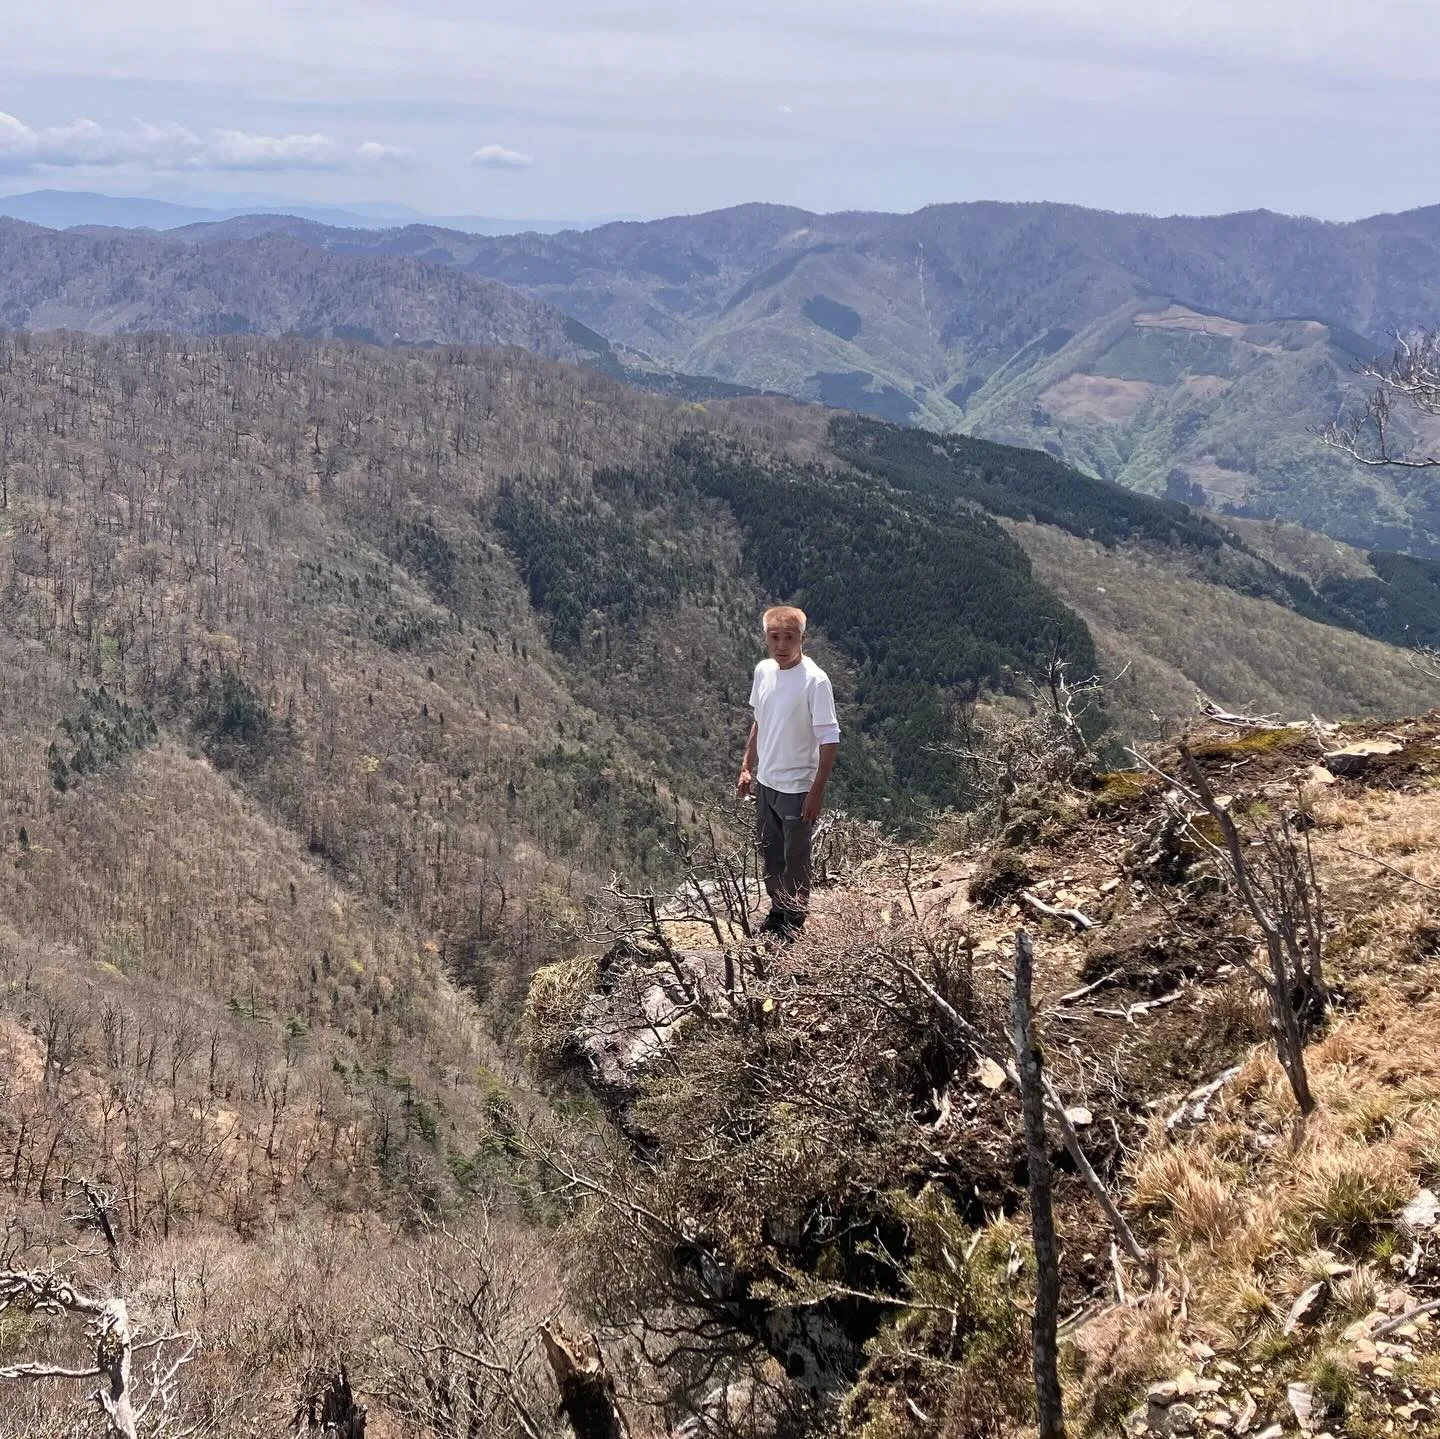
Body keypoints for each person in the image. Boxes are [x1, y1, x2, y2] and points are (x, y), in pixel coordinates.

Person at [736, 605, 840, 940]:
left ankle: (794, 920)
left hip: (797, 787)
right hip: (766, 782)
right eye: (774, 637)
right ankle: (778, 911)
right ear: (765, 637)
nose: (781, 645)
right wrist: (746, 767)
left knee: (795, 859)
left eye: (789, 638)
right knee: (770, 852)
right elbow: (759, 721)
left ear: (802, 639)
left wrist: (816, 792)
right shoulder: (764, 671)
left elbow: (829, 739)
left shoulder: (815, 681)